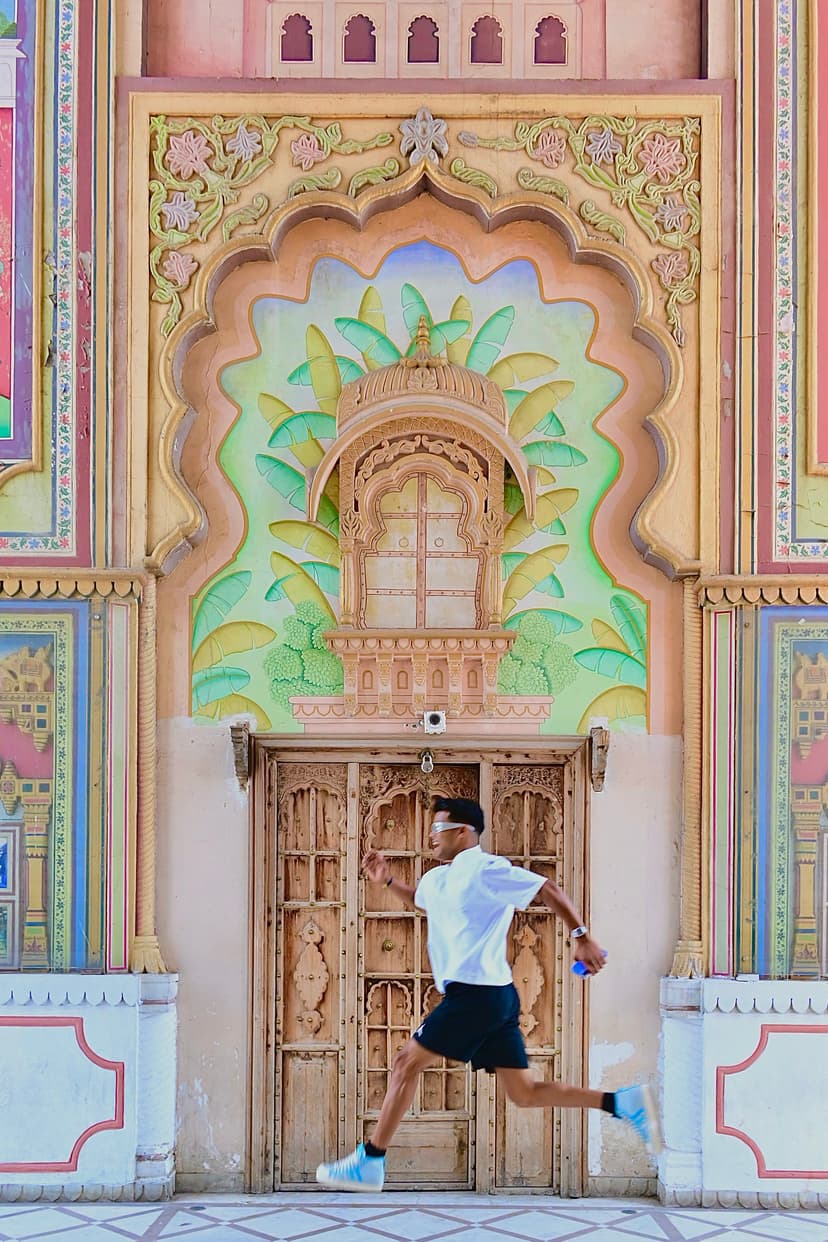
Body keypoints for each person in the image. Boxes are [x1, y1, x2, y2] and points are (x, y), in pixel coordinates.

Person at [316, 795, 661, 1192]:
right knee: (525, 1093)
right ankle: (622, 1103)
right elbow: (423, 901)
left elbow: (545, 888)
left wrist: (581, 936)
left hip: (476, 996)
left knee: (404, 1064)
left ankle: (371, 1160)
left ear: (464, 832)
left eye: (438, 828)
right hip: (491, 997)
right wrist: (389, 881)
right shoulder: (437, 879)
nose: (431, 836)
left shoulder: (486, 870)